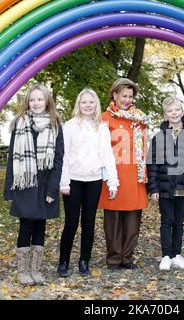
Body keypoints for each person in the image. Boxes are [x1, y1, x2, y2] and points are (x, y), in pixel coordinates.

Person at [4, 83, 64, 285]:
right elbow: (12, 158)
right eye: (32, 99)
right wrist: (10, 189)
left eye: (40, 99)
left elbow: (58, 160)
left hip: (46, 184)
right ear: (27, 102)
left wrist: (52, 189)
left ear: (47, 101)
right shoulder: (19, 124)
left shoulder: (55, 125)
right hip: (25, 183)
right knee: (26, 226)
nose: (36, 103)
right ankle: (23, 270)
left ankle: (35, 269)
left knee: (41, 226)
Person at [57, 88, 119, 277]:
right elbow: (64, 156)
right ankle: (63, 262)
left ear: (96, 105)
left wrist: (113, 182)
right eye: (84, 102)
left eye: (91, 102)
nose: (87, 105)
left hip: (94, 180)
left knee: (89, 222)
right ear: (79, 104)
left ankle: (84, 261)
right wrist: (64, 182)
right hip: (73, 181)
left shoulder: (101, 127)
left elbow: (107, 155)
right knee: (71, 223)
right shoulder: (69, 126)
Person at [98, 78, 150, 270]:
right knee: (113, 220)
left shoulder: (140, 119)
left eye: (130, 96)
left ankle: (127, 257)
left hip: (135, 175)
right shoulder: (103, 118)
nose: (127, 100)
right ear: (115, 95)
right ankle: (113, 258)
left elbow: (145, 147)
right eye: (124, 96)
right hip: (114, 175)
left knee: (132, 220)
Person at [147, 97, 184, 271]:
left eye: (177, 110)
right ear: (165, 114)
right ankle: (166, 255)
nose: (174, 113)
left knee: (179, 222)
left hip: (183, 187)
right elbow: (153, 164)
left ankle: (177, 255)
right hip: (164, 188)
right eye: (170, 111)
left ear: (182, 111)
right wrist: (153, 188)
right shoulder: (159, 137)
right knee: (166, 221)